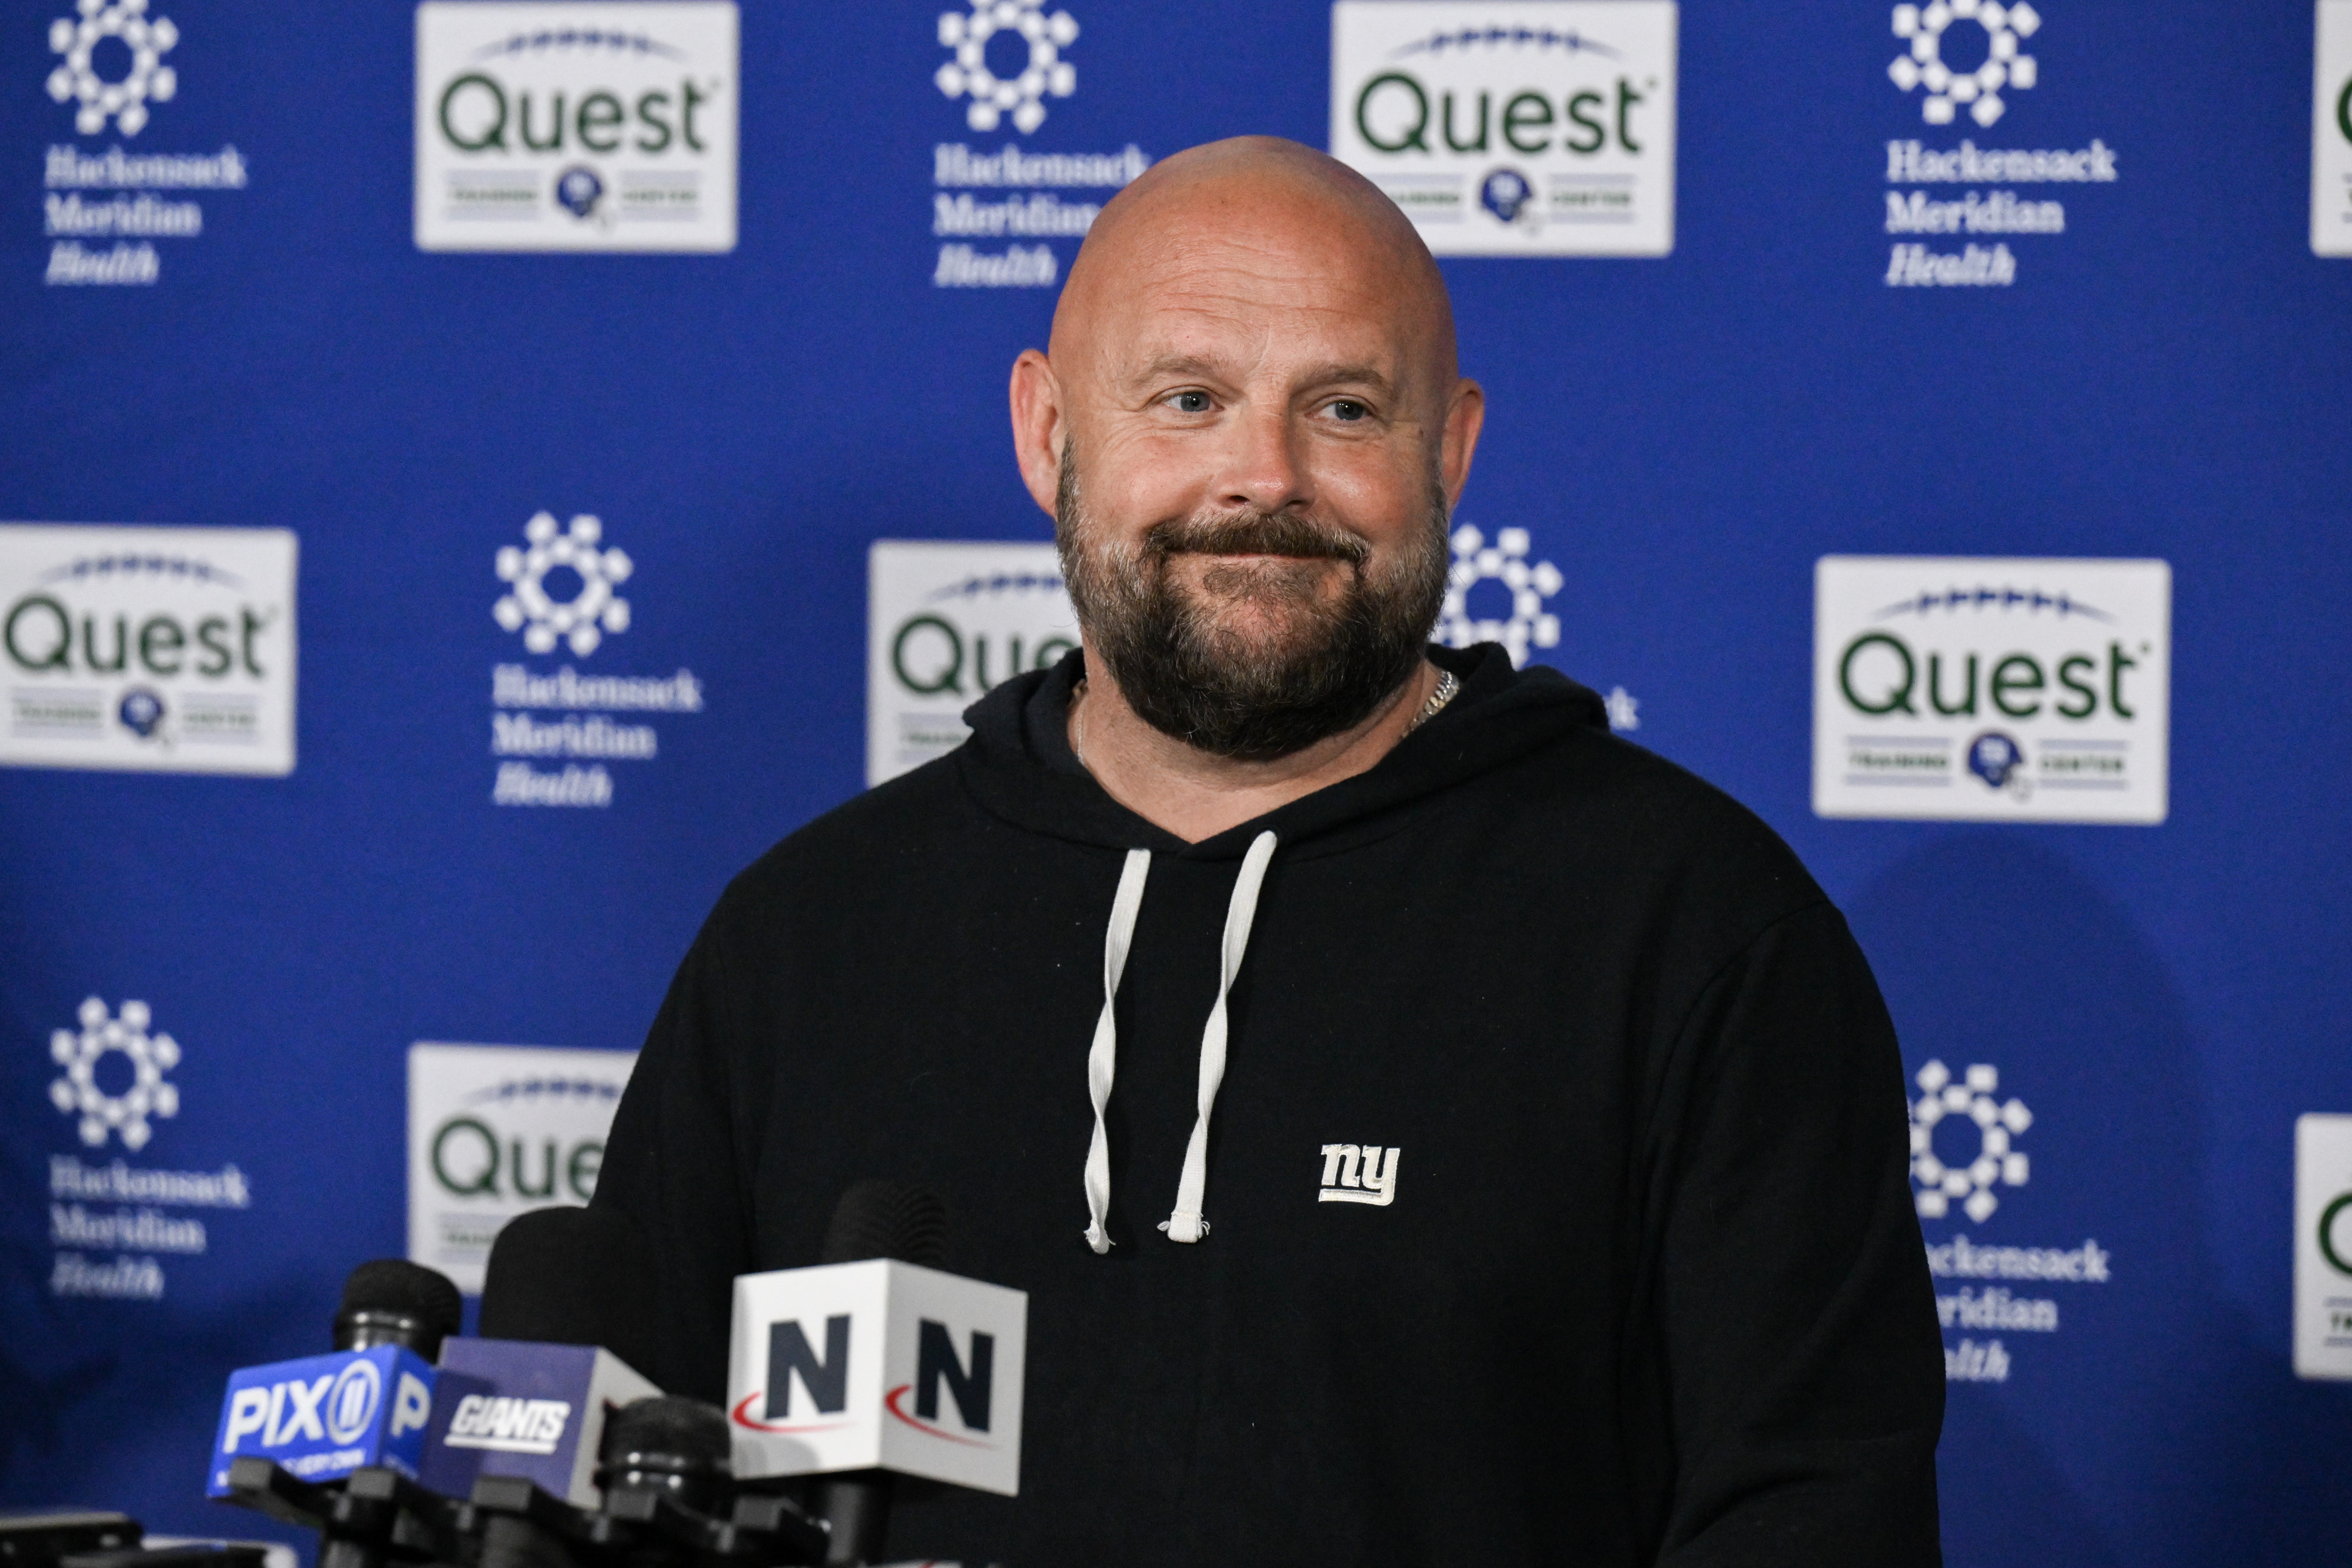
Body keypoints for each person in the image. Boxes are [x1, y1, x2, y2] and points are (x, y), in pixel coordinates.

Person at [596, 136, 1943, 1565]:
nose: (1264, 476)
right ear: (1049, 434)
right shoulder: (807, 937)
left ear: (1452, 446)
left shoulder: (1695, 932)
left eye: (1346, 408)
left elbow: (1811, 1516)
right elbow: (625, 1488)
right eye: (1188, 400)